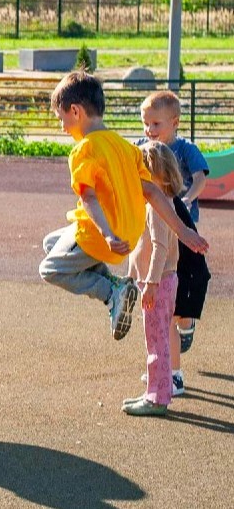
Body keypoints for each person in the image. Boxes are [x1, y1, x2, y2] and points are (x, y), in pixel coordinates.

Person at [39, 71, 208, 343]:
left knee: (49, 269)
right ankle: (115, 285)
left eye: (62, 119)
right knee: (51, 243)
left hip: (100, 234)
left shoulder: (84, 150)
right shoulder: (126, 147)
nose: (62, 127)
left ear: (75, 111)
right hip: (126, 236)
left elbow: (89, 199)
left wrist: (106, 234)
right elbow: (152, 191)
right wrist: (183, 231)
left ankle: (111, 293)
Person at [139, 90, 211, 395]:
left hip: (180, 220)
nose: (150, 131)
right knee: (168, 306)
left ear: (175, 122)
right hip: (159, 224)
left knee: (173, 305)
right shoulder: (144, 149)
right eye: (146, 124)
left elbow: (200, 177)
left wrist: (187, 198)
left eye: (156, 124)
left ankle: (174, 369)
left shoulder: (184, 149)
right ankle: (170, 365)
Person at [121, 141, 182, 416]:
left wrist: (151, 284)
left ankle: (157, 398)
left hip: (158, 283)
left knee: (156, 341)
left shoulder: (157, 205)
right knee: (157, 339)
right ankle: (156, 391)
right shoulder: (162, 203)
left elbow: (161, 247)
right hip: (161, 281)